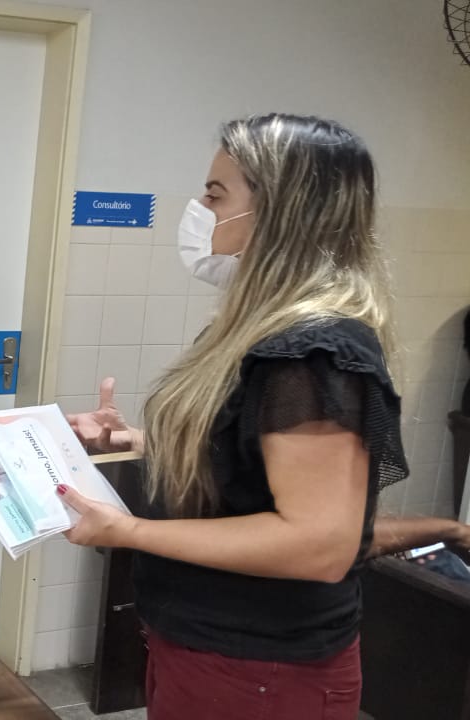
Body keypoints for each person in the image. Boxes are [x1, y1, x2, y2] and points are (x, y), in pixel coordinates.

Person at [60, 114, 407, 719]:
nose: (200, 209)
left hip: (262, 668)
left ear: (280, 210)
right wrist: (137, 440)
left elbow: (318, 545)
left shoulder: (313, 353)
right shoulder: (257, 330)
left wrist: (129, 531)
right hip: (201, 643)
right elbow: (249, 456)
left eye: (216, 194)